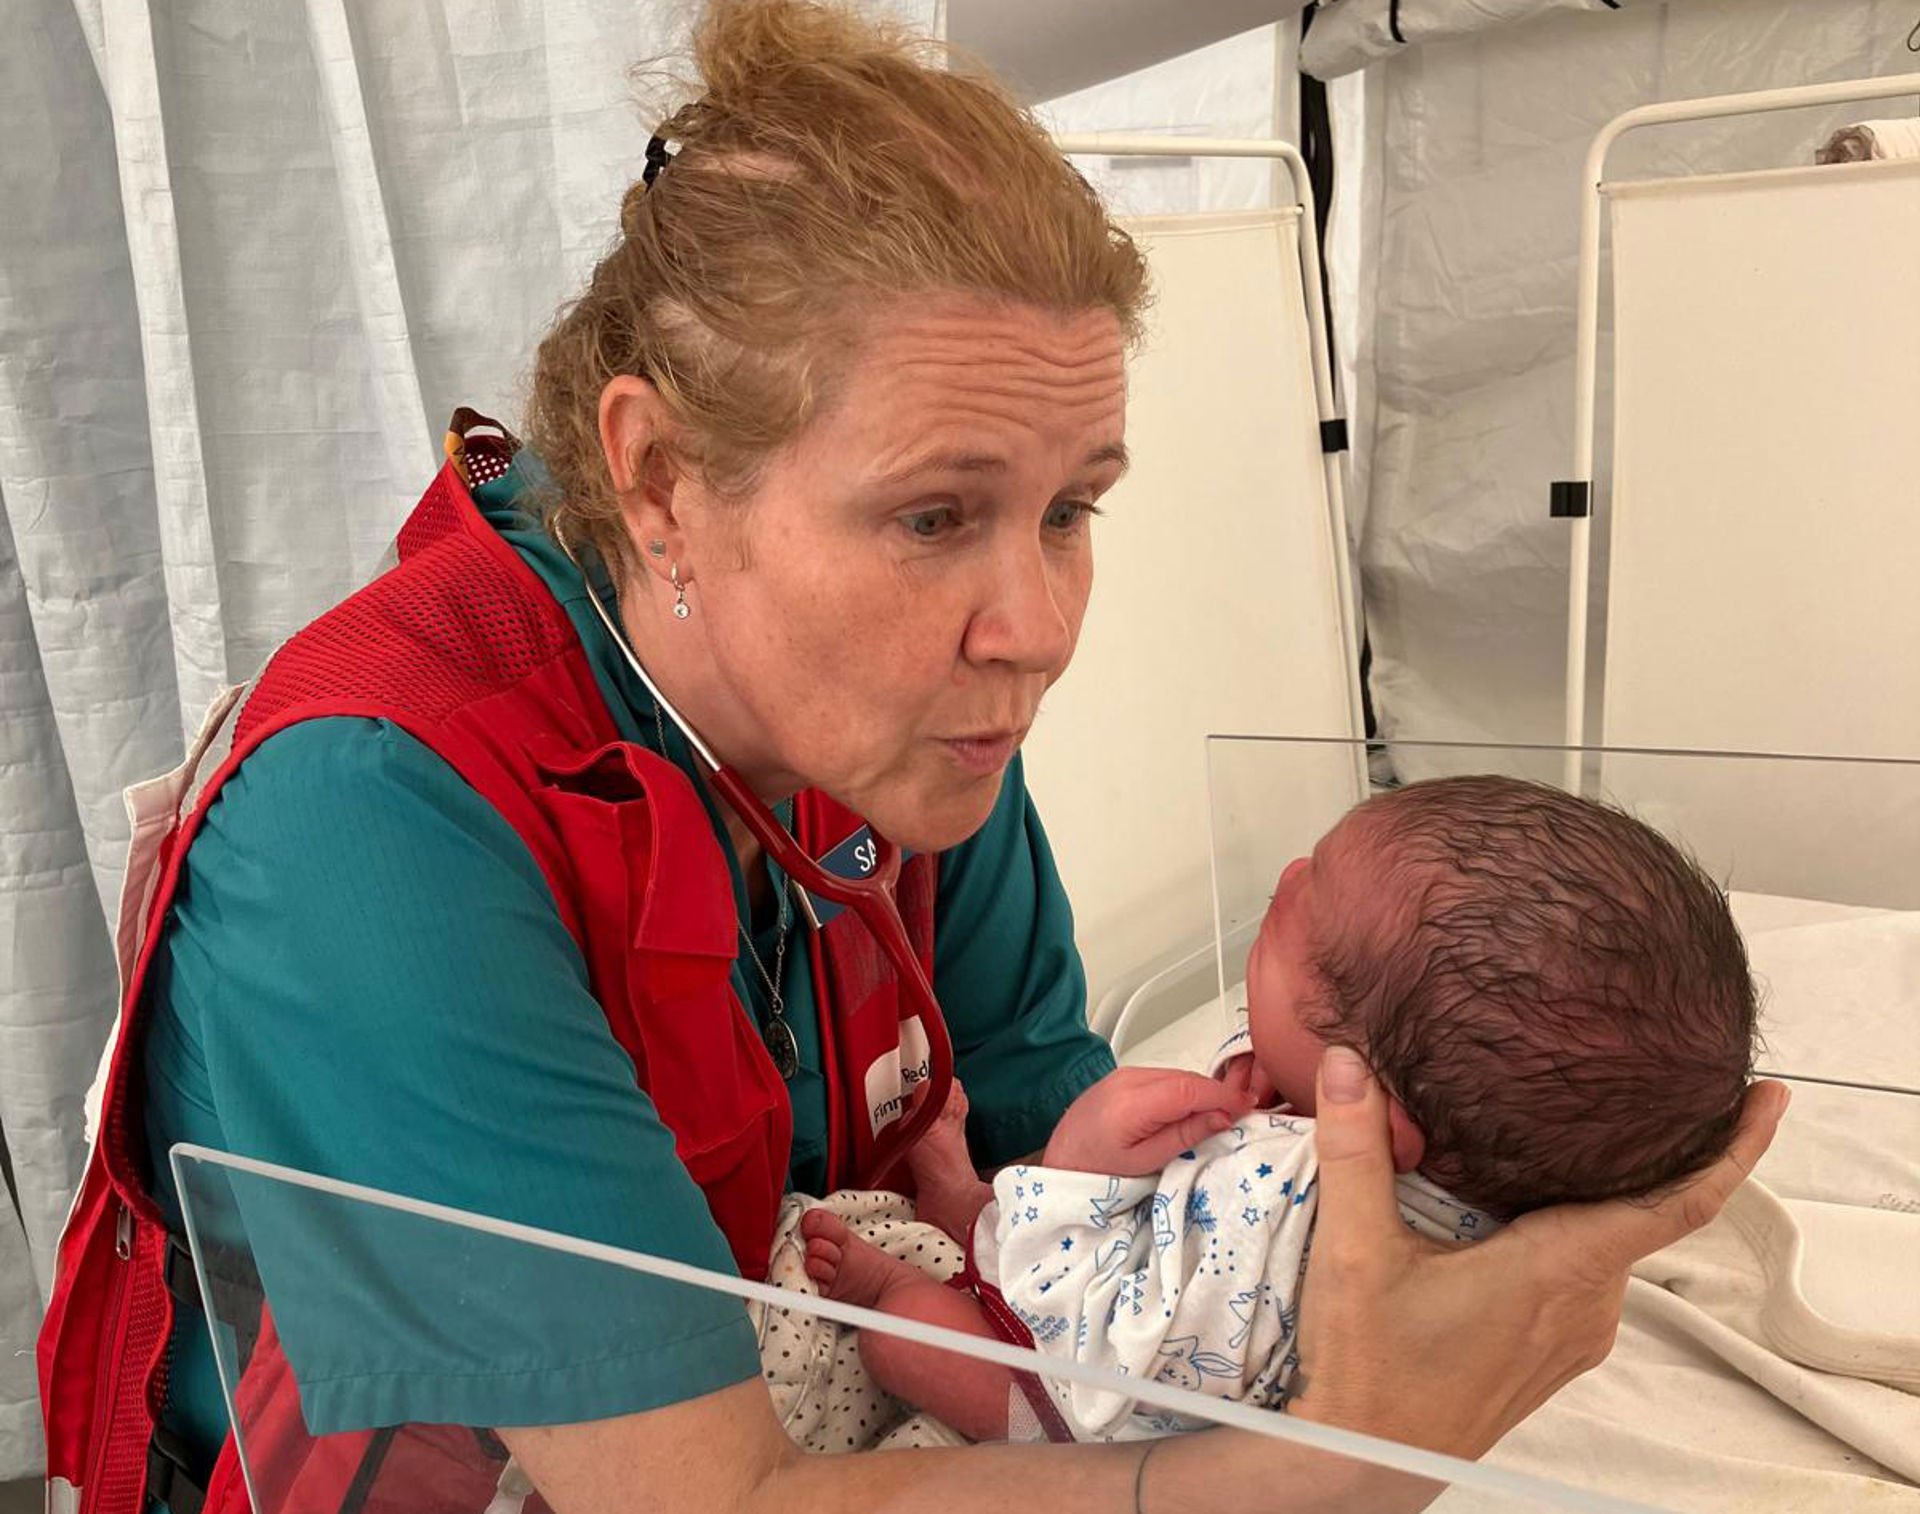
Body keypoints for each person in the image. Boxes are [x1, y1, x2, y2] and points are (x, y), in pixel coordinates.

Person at [38, 3, 1787, 1512]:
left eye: (1072, 508)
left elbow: (1041, 1166)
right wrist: (1335, 1457)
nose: (1032, 623)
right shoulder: (380, 825)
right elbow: (703, 1493)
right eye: (936, 514)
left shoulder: (897, 737)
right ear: (656, 482)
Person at [799, 776, 1762, 1443]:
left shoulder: (1285, 1220)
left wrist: (1079, 1167)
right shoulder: (1454, 1158)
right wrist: (1264, 1078)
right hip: (1146, 1272)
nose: (1287, 881)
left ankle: (905, 1274)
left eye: (1282, 935)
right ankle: (970, 1206)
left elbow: (1106, 1370)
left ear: (1367, 1122)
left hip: (1092, 1382)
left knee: (912, 1344)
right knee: (1016, 1218)